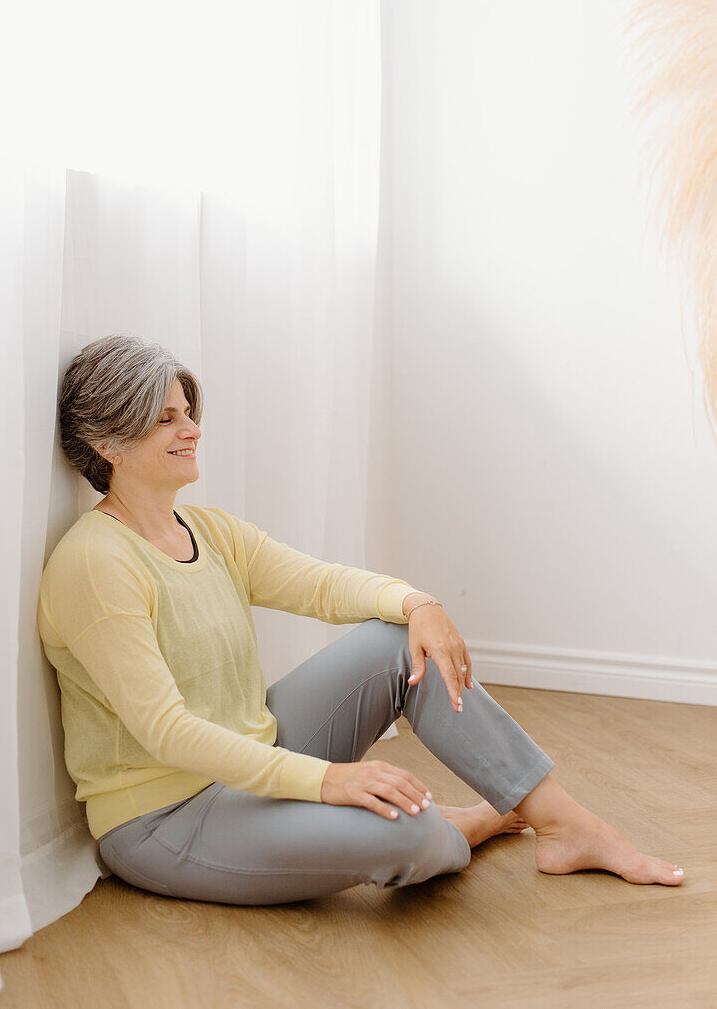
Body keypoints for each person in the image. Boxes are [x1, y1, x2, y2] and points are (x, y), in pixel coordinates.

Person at [37, 334, 685, 907]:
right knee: (414, 836)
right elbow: (168, 733)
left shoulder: (206, 531)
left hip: (252, 757)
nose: (192, 429)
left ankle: (564, 823)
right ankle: (467, 824)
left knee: (396, 641)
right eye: (165, 418)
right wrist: (331, 780)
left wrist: (419, 604)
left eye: (188, 412)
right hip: (167, 819)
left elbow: (320, 585)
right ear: (107, 442)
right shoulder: (96, 562)